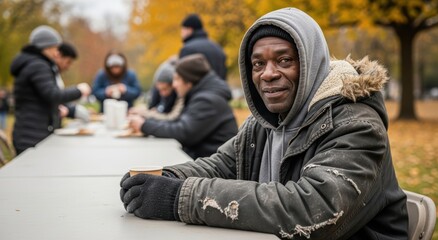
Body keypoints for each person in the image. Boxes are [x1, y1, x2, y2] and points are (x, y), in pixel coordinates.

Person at [120, 8, 408, 239]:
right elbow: (221, 165)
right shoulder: (267, 122)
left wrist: (180, 197)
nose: (268, 74)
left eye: (284, 60)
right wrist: (163, 177)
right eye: (258, 64)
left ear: (311, 64)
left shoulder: (357, 124)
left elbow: (314, 211)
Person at [128, 54, 238, 159]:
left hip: (213, 167)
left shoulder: (207, 100)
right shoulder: (201, 96)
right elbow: (178, 123)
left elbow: (183, 132)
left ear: (188, 81)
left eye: (177, 79)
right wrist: (147, 124)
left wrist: (144, 125)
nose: (174, 85)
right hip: (205, 160)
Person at [10, 25, 91, 154]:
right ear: (45, 47)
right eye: (55, 48)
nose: (56, 52)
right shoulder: (38, 65)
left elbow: (42, 99)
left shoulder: (35, 64)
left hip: (32, 134)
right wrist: (79, 90)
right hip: (31, 137)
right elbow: (53, 94)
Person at [130, 57, 184, 121]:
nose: (162, 93)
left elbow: (172, 118)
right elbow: (155, 108)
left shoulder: (181, 95)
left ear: (173, 86)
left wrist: (147, 114)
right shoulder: (159, 93)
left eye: (165, 89)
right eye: (159, 90)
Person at [54, 42, 90, 122]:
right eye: (68, 62)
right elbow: (56, 96)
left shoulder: (56, 75)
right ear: (59, 56)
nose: (68, 67)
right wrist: (78, 90)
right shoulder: (48, 73)